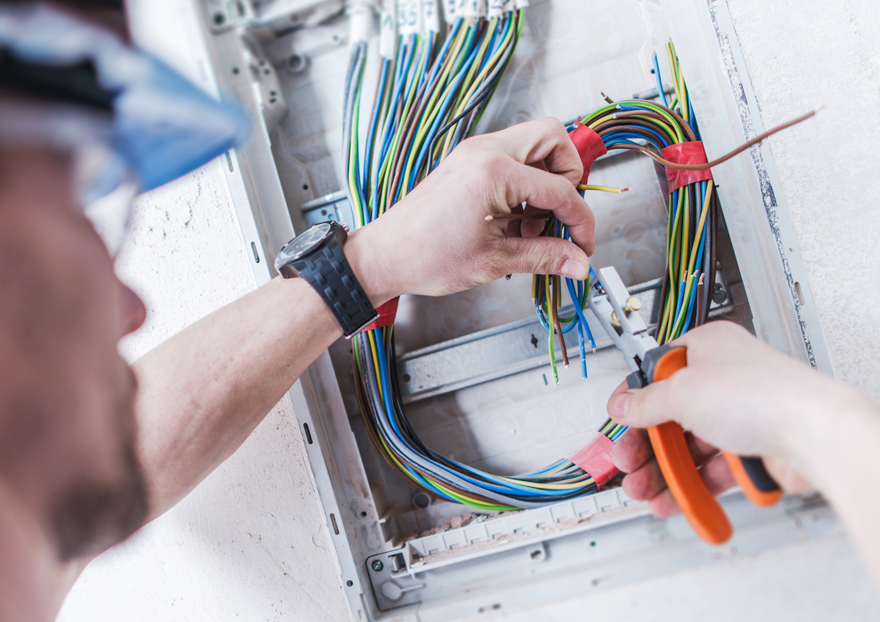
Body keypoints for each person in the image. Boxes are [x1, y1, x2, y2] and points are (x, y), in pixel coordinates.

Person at [0, 3, 877, 622]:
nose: (129, 304)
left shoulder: (35, 502)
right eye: (53, 245)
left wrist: (371, 263)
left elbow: (121, 441)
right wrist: (824, 426)